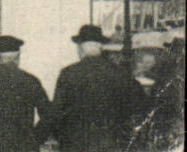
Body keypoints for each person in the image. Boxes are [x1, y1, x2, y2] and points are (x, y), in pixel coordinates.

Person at [50, 23, 146, 152]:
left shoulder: (68, 74)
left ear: (80, 48)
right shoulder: (119, 73)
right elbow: (140, 106)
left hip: (76, 145)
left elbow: (56, 113)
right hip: (112, 144)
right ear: (101, 47)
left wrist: (62, 138)